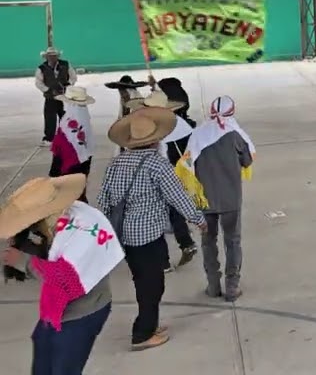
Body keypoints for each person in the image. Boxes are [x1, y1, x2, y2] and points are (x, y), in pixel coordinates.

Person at [98, 106, 205, 351]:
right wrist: (198, 219)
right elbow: (178, 197)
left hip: (123, 236)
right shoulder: (157, 164)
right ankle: (142, 334)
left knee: (142, 281)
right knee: (153, 285)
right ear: (155, 140)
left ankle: (150, 323)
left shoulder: (116, 163)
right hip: (147, 237)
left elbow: (104, 200)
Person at [2, 174, 119, 375]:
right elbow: (52, 255)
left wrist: (23, 261)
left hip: (82, 312)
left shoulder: (79, 232)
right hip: (59, 310)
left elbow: (65, 279)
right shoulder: (68, 215)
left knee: (63, 369)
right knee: (42, 353)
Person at [188, 96, 256, 302]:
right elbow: (247, 161)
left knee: (208, 241)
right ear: (232, 112)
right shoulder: (235, 136)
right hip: (230, 199)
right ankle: (232, 286)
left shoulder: (197, 135)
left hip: (204, 199)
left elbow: (187, 164)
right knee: (232, 241)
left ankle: (213, 286)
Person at [135, 88, 200, 273]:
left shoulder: (150, 126)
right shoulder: (181, 124)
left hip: (157, 173)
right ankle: (186, 242)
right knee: (173, 209)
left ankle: (162, 262)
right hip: (178, 173)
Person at [49, 86, 96, 202]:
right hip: (83, 166)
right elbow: (88, 147)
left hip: (68, 169)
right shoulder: (85, 119)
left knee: (68, 199)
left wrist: (53, 174)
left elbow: (59, 150)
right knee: (79, 193)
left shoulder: (68, 121)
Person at [36, 47, 76, 144]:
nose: (52, 58)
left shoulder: (65, 64)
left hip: (65, 95)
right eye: (50, 56)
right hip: (50, 97)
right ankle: (49, 138)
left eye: (54, 56)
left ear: (57, 56)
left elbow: (73, 77)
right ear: (46, 57)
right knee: (50, 117)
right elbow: (39, 83)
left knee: (66, 116)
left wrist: (68, 85)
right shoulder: (42, 68)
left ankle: (69, 136)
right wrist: (49, 90)